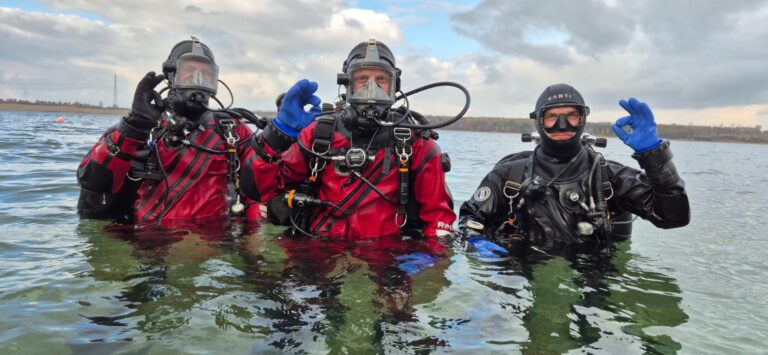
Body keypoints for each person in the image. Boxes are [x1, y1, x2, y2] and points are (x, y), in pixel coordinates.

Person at [240, 39, 456, 238]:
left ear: (394, 85)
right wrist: (278, 134)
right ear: (347, 83)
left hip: (386, 259)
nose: (372, 88)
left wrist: (421, 264)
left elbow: (439, 219)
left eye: (381, 79)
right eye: (362, 79)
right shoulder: (320, 133)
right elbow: (260, 190)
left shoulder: (415, 142)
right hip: (321, 252)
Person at [459, 83, 690, 251]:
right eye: (552, 116)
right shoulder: (509, 176)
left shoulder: (609, 178)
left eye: (571, 115)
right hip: (521, 275)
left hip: (591, 280)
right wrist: (476, 244)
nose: (562, 124)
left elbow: (673, 217)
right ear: (538, 121)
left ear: (583, 119)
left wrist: (654, 156)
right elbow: (470, 220)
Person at [77, 37, 261, 223]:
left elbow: (259, 191)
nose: (197, 79)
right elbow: (92, 182)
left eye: (206, 74)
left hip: (214, 239)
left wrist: (251, 240)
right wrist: (133, 126)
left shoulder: (233, 130)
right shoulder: (141, 128)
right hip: (147, 240)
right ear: (171, 76)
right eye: (188, 71)